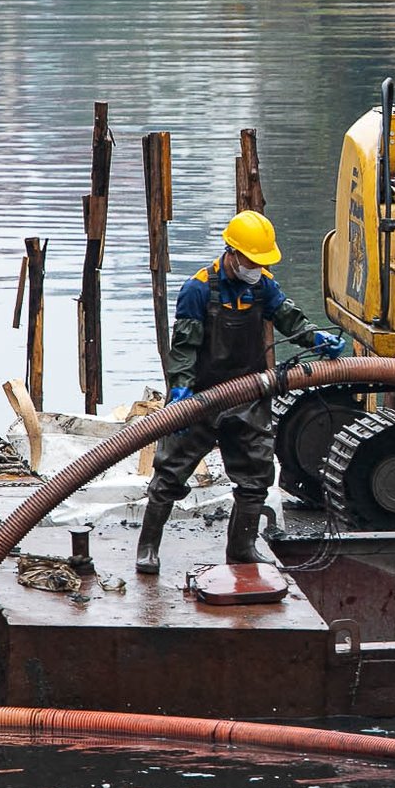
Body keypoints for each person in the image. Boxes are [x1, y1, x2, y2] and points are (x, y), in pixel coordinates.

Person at [137, 210, 344, 574]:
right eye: (251, 260)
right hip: (201, 398)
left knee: (256, 477)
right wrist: (180, 390)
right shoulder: (198, 288)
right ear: (231, 253)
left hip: (248, 397)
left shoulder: (262, 285)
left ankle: (242, 549)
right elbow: (184, 348)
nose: (255, 267)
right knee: (170, 473)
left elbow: (289, 318)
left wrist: (316, 337)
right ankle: (148, 547)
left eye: (260, 262)